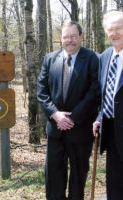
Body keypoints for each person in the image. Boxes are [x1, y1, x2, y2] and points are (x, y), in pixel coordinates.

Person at [37, 21, 100, 200]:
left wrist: (73, 118)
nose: (70, 40)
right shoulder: (50, 59)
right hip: (55, 130)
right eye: (66, 36)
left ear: (81, 37)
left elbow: (95, 91)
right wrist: (56, 115)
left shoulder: (92, 58)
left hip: (80, 129)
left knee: (78, 177)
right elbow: (42, 91)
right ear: (60, 39)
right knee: (54, 176)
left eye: (73, 36)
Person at [93, 11, 123, 200]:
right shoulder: (104, 57)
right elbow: (105, 95)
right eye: (110, 29)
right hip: (111, 129)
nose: (114, 33)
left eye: (118, 28)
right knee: (114, 184)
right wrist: (98, 118)